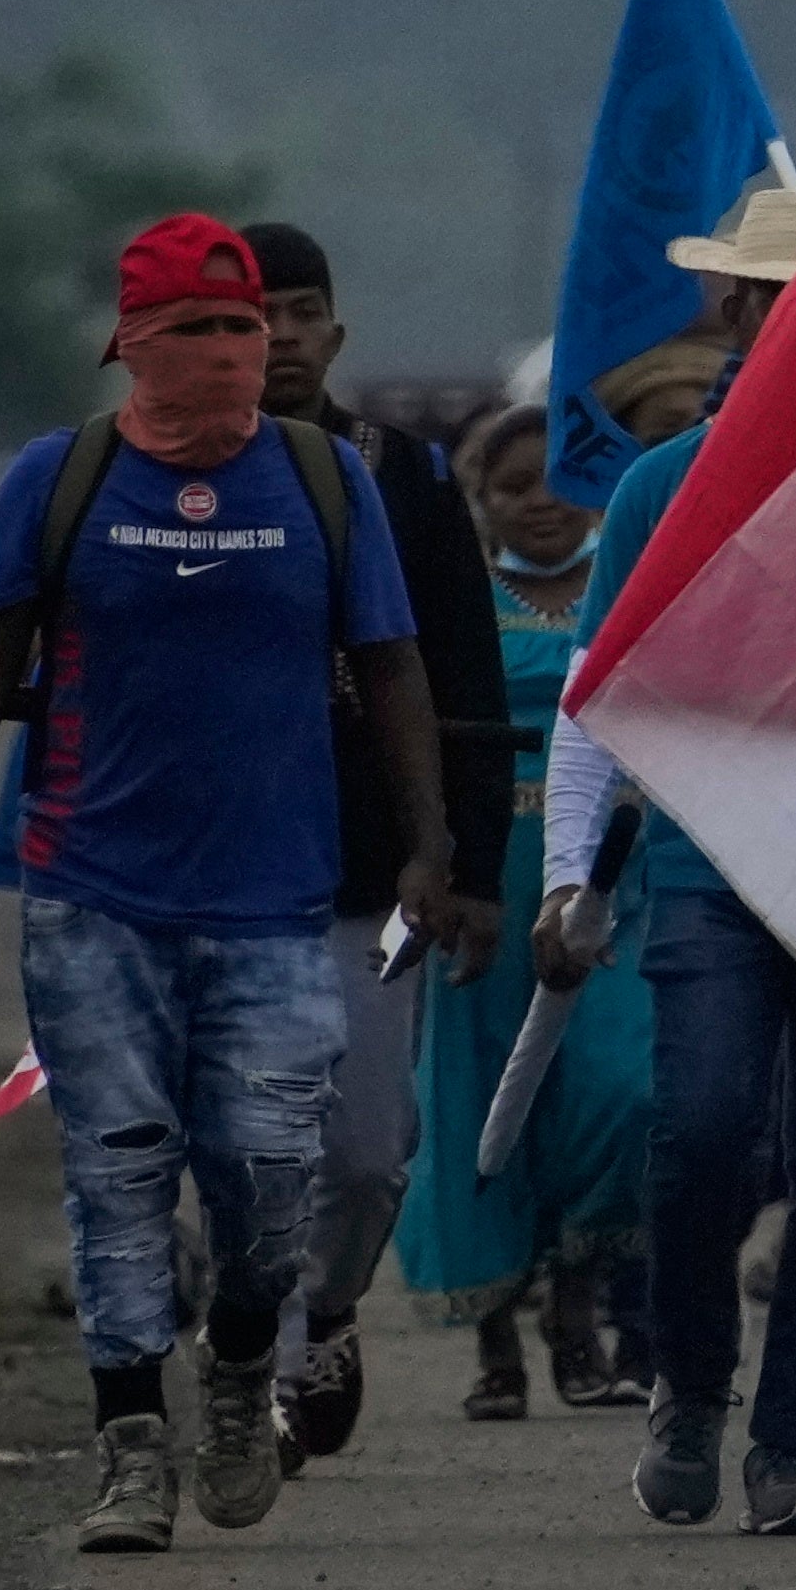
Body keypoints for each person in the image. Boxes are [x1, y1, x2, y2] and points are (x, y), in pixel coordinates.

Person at [0, 214, 454, 1558]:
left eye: (243, 327)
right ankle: (131, 1441)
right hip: (94, 889)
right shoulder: (57, 480)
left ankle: (241, 1360)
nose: (227, 353)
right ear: (129, 342)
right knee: (119, 1174)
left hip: (275, 899)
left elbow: (397, 665)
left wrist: (430, 841)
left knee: (266, 1186)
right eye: (194, 329)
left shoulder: (324, 480)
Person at [548, 179, 796, 1539]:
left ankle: (793, 1445)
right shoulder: (664, 484)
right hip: (714, 864)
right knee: (704, 1124)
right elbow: (598, 691)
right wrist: (565, 875)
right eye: (768, 298)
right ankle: (693, 1382)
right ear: (735, 308)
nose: (787, 320)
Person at [232, 219, 522, 1469]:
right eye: (252, 315)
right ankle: (267, 1365)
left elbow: (464, 673)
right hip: (211, 876)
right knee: (238, 1144)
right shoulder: (151, 479)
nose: (280, 336)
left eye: (301, 311)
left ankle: (330, 1306)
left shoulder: (403, 476)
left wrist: (473, 872)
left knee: (365, 1153)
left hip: (373, 874)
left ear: (336, 330)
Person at [399, 400, 659, 1419]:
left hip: (611, 880)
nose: (538, 504)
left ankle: (579, 1293)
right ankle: (502, 1343)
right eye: (511, 487)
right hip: (484, 884)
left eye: (555, 482)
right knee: (477, 1100)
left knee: (622, 1089)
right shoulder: (453, 604)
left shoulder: (629, 587)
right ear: (480, 499)